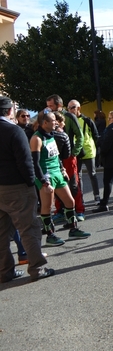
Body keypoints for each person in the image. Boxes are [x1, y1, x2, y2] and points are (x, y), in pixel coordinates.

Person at [0, 97, 56, 283]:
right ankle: (37, 268)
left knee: (1, 233)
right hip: (16, 187)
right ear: (9, 111)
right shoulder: (13, 131)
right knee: (29, 228)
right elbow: (25, 162)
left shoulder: (13, 130)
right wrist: (32, 182)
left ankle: (5, 271)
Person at [31, 111, 90, 243]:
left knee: (70, 202)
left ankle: (73, 229)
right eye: (53, 120)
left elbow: (56, 155)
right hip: (46, 175)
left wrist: (62, 169)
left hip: (57, 172)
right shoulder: (37, 139)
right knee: (47, 207)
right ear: (45, 123)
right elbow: (35, 163)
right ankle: (50, 235)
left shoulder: (52, 135)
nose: (56, 122)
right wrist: (44, 181)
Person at [46, 95, 85, 222]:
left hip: (68, 156)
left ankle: (79, 210)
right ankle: (60, 210)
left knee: (73, 183)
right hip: (54, 157)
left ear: (59, 105)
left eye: (51, 106)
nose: (49, 108)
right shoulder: (48, 117)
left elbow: (80, 136)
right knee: (56, 183)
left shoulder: (69, 117)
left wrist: (74, 152)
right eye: (48, 106)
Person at [68, 100, 101, 203]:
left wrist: (98, 151)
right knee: (77, 176)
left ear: (79, 108)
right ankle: (80, 198)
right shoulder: (68, 120)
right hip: (75, 151)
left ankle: (97, 195)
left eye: (73, 107)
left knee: (92, 173)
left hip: (88, 150)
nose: (71, 110)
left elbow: (96, 136)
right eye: (69, 108)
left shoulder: (87, 120)